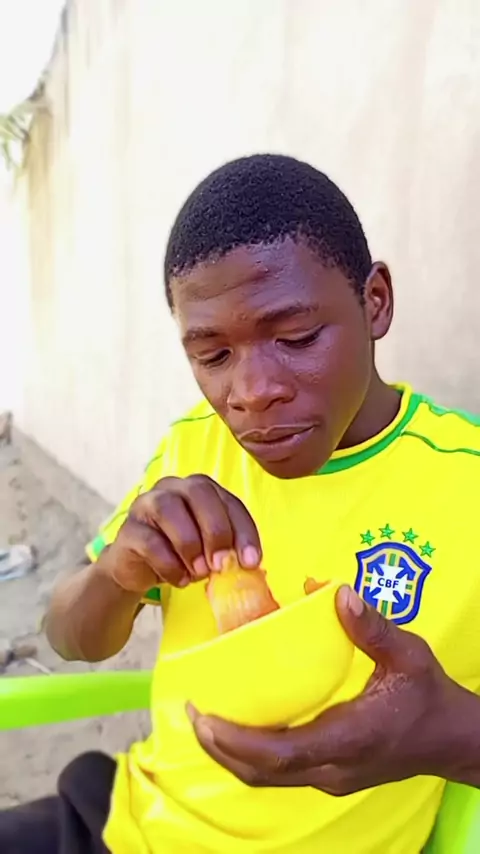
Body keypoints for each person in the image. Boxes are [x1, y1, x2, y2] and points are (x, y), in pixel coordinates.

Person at [2, 153, 480, 854]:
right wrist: (116, 575)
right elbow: (70, 638)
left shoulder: (466, 484)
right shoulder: (193, 448)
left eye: (296, 338)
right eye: (213, 356)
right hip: (124, 826)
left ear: (375, 302)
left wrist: (454, 738)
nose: (251, 393)